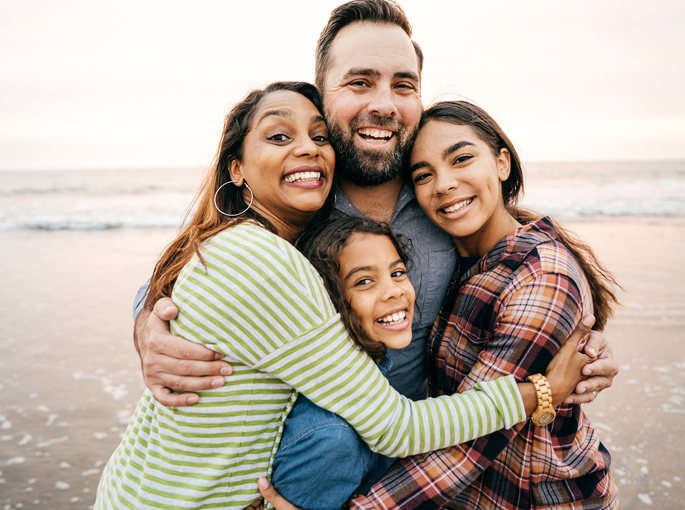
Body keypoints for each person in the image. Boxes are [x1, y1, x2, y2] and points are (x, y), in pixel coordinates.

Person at [95, 82, 588, 510]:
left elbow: (500, 245)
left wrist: (568, 301)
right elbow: (396, 426)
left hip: (156, 485)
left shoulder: (271, 238)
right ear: (237, 169)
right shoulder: (266, 259)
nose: (308, 148)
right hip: (176, 499)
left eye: (318, 136)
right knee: (335, 436)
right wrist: (542, 393)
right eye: (279, 136)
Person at [342, 101, 621, 509]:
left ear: (502, 163)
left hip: (540, 497)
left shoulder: (543, 277)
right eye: (424, 175)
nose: (444, 184)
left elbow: (471, 441)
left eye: (462, 159)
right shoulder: (443, 259)